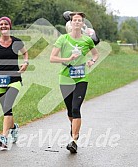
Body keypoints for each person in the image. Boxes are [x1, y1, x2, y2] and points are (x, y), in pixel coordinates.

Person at [50, 12, 99, 153]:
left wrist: (92, 61)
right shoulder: (63, 39)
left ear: (83, 24)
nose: (77, 22)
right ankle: (74, 129)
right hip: (65, 78)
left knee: (76, 108)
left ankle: (74, 141)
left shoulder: (87, 40)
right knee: (70, 111)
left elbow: (95, 54)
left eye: (79, 20)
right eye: (74, 20)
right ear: (70, 23)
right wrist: (67, 59)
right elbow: (52, 58)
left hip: (81, 78)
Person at [0, 16, 29, 150]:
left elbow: (25, 54)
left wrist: (25, 63)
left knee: (7, 106)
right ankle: (14, 127)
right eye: (1, 24)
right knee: (6, 110)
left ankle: (4, 137)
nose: (3, 26)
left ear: (10, 26)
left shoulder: (17, 42)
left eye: (6, 24)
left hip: (14, 79)